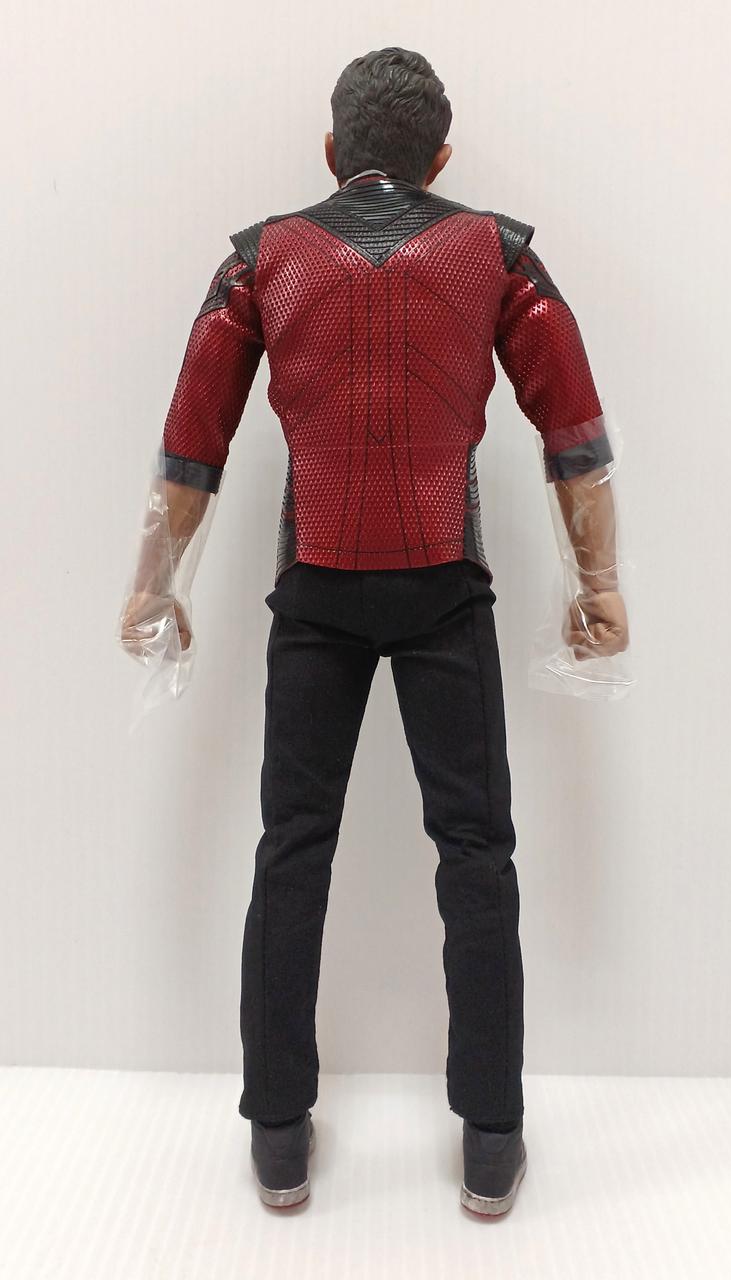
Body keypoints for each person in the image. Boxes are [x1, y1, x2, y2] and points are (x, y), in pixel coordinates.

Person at [119, 46, 629, 1215]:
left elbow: (191, 442)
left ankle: (278, 1133)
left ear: (330, 149)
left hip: (317, 589)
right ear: (440, 158)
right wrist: (598, 581)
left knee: (291, 847)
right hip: (444, 583)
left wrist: (154, 581)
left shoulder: (260, 259)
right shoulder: (499, 254)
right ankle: (491, 1137)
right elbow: (576, 435)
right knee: (476, 853)